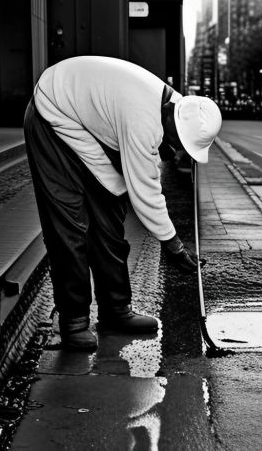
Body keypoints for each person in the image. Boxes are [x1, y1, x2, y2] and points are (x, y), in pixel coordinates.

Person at [24, 56, 222, 351]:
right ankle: (74, 321)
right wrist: (173, 245)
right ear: (171, 117)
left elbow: (144, 173)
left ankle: (116, 311)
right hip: (51, 113)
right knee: (70, 227)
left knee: (109, 220)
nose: (178, 149)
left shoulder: (178, 106)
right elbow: (146, 194)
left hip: (85, 123)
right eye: (179, 142)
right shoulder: (144, 118)